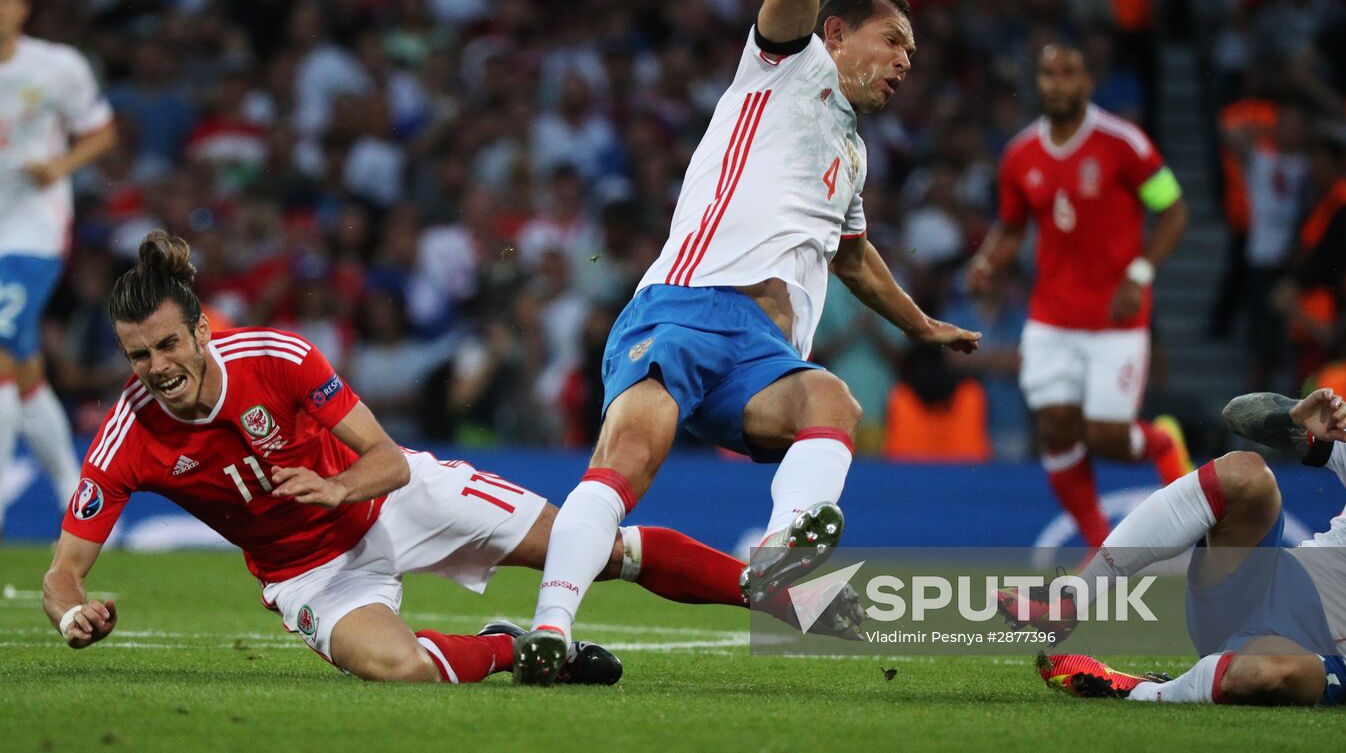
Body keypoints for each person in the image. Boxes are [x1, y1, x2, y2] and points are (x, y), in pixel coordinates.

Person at [514, 0, 983, 684]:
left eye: (912, 51)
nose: (906, 60)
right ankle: (551, 626)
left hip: (760, 357)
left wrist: (920, 325)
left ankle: (777, 557)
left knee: (834, 406)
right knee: (626, 463)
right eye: (894, 41)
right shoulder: (785, 66)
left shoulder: (851, 150)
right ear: (837, 35)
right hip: (686, 306)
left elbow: (850, 257)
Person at [43, 232, 859, 688]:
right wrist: (72, 610)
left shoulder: (279, 356)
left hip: (400, 498)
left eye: (165, 345)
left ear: (198, 331)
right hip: (309, 573)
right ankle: (518, 644)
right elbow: (63, 568)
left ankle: (778, 596)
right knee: (396, 668)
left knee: (603, 552)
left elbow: (388, 461)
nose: (154, 367)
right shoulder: (130, 434)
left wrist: (331, 486)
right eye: (136, 354)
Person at [1008, 387, 1346, 706]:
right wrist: (1292, 415)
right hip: (1259, 587)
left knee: (1271, 672)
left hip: (1330, 660)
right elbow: (1239, 414)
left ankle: (1138, 691)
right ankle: (1072, 598)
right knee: (1247, 474)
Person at [968, 41, 1190, 549]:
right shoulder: (1020, 154)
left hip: (1116, 318)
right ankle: (1099, 544)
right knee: (1056, 426)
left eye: (1069, 73)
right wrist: (986, 262)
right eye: (1049, 74)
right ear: (1038, 82)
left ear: (1088, 82)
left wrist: (1140, 273)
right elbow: (1011, 227)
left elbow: (1173, 210)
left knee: (1107, 437)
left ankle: (1161, 442)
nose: (1058, 83)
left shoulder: (1123, 144)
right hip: (1051, 317)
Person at [0, 0, 118, 539]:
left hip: (33, 231)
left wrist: (59, 167)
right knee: (22, 363)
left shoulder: (55, 67)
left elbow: (102, 130)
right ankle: (76, 494)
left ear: (23, 6)